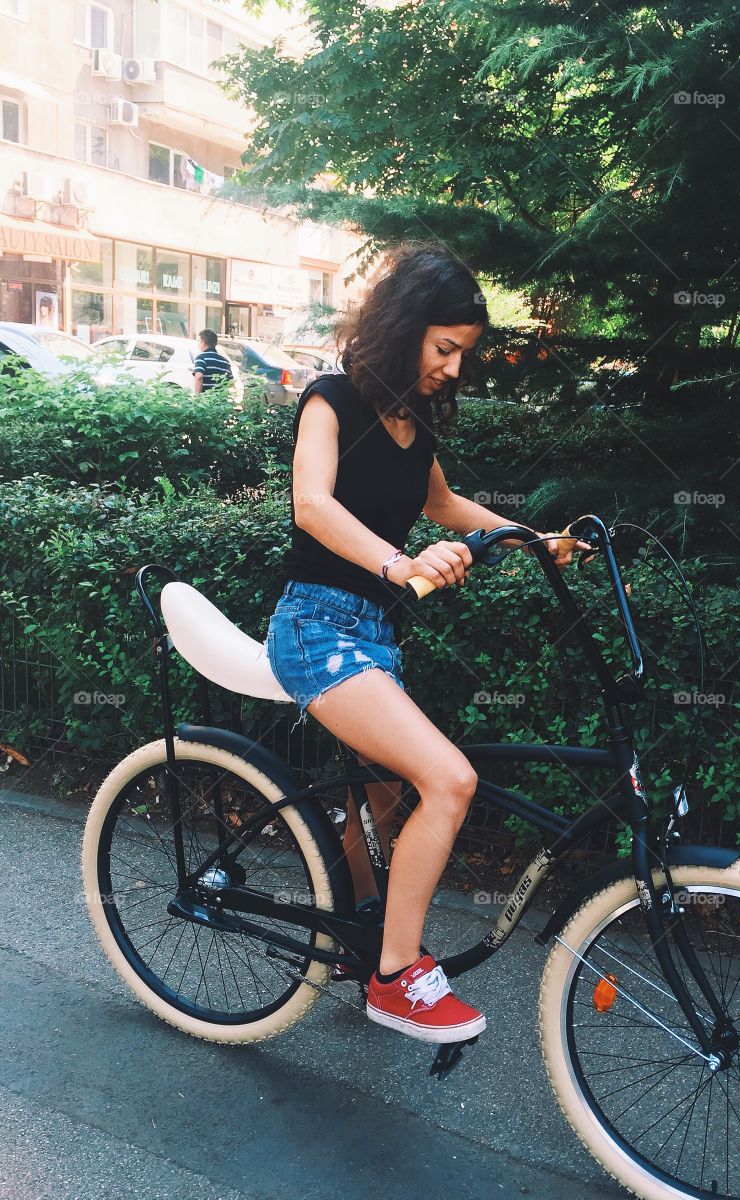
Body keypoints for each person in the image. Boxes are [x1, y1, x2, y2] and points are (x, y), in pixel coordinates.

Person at [266, 242, 587, 1043]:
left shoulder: (412, 425)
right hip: (314, 625)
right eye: (445, 348)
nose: (453, 367)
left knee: (379, 805)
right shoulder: (330, 400)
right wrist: (398, 563)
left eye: (462, 355)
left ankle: (346, 938)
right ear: (406, 326)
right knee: (450, 780)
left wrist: (534, 540)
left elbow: (447, 507)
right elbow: (311, 505)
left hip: (373, 634)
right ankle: (394, 977)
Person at [192, 329, 233, 394]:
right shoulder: (225, 362)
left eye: (199, 341)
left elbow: (199, 376)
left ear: (203, 343)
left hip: (206, 400)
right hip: (220, 400)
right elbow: (231, 383)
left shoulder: (201, 358)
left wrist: (197, 397)